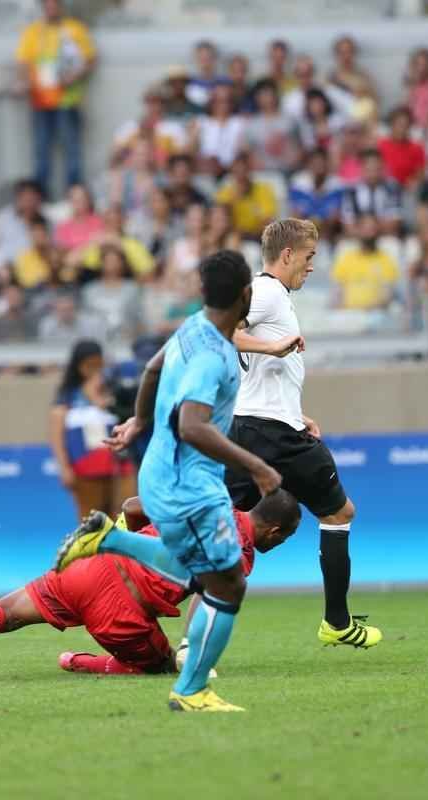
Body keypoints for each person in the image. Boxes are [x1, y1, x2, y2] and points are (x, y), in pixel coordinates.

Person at [57, 249, 283, 712]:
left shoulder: (192, 327)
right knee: (227, 585)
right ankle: (192, 690)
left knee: (197, 573)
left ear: (204, 294)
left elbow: (153, 369)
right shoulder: (214, 356)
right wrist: (258, 468)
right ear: (245, 295)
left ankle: (109, 539)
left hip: (158, 471)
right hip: (189, 483)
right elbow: (192, 426)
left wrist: (139, 421)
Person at [220, 220, 382, 652]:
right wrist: (272, 347)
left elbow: (257, 374)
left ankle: (129, 537)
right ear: (287, 254)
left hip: (249, 428)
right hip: (274, 436)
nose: (312, 267)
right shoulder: (269, 291)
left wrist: (297, 412)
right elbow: (221, 329)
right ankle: (337, 622)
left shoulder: (271, 295)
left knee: (218, 528)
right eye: (309, 257)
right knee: (339, 513)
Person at [0, 491, 300, 676]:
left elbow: (133, 505)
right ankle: (81, 662)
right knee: (161, 666)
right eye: (286, 537)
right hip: (122, 610)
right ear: (275, 530)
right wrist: (191, 646)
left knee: (10, 612)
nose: (281, 543)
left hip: (94, 565)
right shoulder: (240, 550)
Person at [15, 0, 96, 196]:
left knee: (71, 147)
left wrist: (73, 76)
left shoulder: (74, 29)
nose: (51, 9)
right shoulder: (33, 31)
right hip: (41, 100)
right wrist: (25, 82)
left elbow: (90, 60)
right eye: (48, 5)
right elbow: (23, 62)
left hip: (67, 99)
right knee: (41, 148)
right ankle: (42, 194)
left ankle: (74, 192)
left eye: (55, 5)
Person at [49, 339, 133, 519]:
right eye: (89, 365)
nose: (95, 370)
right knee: (92, 521)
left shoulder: (114, 390)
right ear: (78, 365)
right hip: (85, 468)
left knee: (124, 518)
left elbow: (128, 418)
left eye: (98, 365)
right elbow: (57, 437)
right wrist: (64, 468)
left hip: (120, 465)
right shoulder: (67, 396)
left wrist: (99, 395)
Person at [331, 214, 400, 310]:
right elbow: (336, 292)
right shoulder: (346, 259)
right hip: (348, 313)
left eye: (372, 229)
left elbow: (388, 295)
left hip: (375, 313)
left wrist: (372, 308)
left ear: (378, 232)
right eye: (365, 229)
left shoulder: (386, 260)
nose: (369, 233)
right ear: (358, 231)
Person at [81, 244, 142, 340]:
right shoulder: (89, 290)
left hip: (125, 340)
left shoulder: (132, 289)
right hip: (96, 339)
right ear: (101, 263)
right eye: (107, 261)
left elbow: (139, 318)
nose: (111, 264)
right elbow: (84, 318)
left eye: (115, 261)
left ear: (122, 263)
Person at [214, 152, 277, 240]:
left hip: (258, 237)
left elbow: (269, 222)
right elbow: (219, 221)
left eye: (244, 170)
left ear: (249, 171)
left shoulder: (263, 190)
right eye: (236, 172)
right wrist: (232, 202)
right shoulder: (225, 193)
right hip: (232, 236)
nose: (240, 176)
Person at [341, 148, 403, 238]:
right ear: (361, 169)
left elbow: (395, 222)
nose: (373, 173)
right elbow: (347, 225)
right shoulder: (351, 191)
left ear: (382, 168)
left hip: (384, 236)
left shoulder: (392, 189)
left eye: (376, 168)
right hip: (358, 237)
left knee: (392, 243)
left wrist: (373, 228)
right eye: (369, 169)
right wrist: (364, 232)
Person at [288, 148, 345, 240]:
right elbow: (297, 213)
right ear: (309, 164)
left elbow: (334, 214)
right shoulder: (298, 183)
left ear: (327, 164)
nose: (318, 167)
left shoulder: (337, 184)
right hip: (304, 231)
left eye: (321, 163)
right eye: (315, 163)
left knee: (333, 218)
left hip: (328, 231)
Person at [243, 79, 299, 173]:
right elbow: (247, 152)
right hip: (263, 175)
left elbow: (299, 148)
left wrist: (293, 162)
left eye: (269, 93)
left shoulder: (289, 121)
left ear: (276, 95)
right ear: (257, 98)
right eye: (262, 94)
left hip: (289, 172)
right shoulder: (252, 124)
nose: (267, 98)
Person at [195, 85, 245, 176]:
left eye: (227, 101)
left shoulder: (240, 123)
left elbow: (242, 150)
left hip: (233, 172)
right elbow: (192, 150)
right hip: (206, 171)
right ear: (211, 102)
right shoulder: (201, 123)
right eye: (218, 101)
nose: (223, 105)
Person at [0, 179, 45, 262]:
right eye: (25, 199)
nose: (28, 204)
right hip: (8, 265)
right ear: (17, 199)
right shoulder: (4, 220)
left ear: (39, 199)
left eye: (32, 199)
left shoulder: (47, 222)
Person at [378, 106, 427, 189]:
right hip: (384, 189)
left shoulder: (417, 148)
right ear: (391, 125)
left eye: (406, 125)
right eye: (399, 124)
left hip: (407, 190)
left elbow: (420, 175)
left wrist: (414, 182)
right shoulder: (380, 146)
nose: (402, 129)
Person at [38, 291, 106, 344]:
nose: (66, 313)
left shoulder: (91, 323)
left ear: (76, 309)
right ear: (55, 311)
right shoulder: (47, 324)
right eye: (62, 310)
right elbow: (44, 347)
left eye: (69, 309)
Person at [404, 48, 428, 133]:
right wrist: (412, 85)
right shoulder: (412, 83)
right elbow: (406, 107)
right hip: (412, 125)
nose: (422, 68)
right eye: (418, 64)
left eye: (425, 64)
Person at [55, 184, 104, 252]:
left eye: (82, 199)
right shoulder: (63, 227)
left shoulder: (99, 222)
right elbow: (62, 251)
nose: (79, 203)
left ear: (89, 200)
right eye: (75, 199)